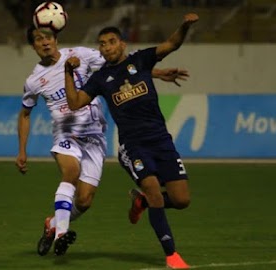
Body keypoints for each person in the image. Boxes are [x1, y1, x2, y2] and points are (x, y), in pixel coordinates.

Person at [16, 25, 189, 257]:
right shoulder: (34, 80)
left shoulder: (81, 54)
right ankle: (62, 233)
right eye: (38, 40)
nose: (44, 42)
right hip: (66, 132)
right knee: (70, 173)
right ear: (33, 46)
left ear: (56, 39)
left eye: (48, 37)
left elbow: (119, 67)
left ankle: (53, 223)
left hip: (94, 136)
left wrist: (156, 73)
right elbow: (25, 114)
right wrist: (22, 150)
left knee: (85, 200)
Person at [63, 13, 199, 269]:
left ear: (122, 43)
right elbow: (74, 103)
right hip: (133, 146)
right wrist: (68, 73)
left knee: (181, 200)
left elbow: (172, 44)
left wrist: (184, 26)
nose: (106, 47)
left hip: (161, 140)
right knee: (156, 192)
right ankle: (172, 255)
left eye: (111, 41)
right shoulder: (100, 78)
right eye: (102, 44)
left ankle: (142, 202)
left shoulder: (141, 60)